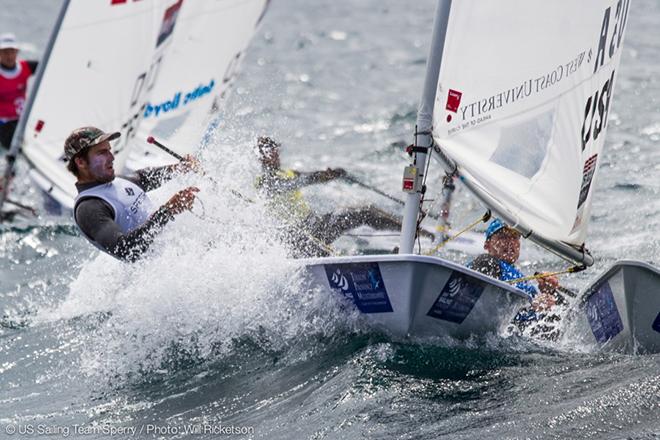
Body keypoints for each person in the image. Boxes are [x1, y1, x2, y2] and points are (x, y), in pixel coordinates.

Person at [255, 136, 409, 257]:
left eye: (274, 149)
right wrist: (314, 178)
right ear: (261, 157)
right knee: (322, 252)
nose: (274, 153)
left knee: (365, 211)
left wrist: (329, 175)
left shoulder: (288, 173)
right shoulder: (264, 182)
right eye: (269, 151)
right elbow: (291, 184)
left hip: (315, 226)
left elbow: (310, 176)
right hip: (298, 238)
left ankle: (412, 233)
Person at [65, 126, 199, 262]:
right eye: (102, 153)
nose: (111, 157)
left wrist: (181, 167)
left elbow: (146, 177)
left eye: (109, 151)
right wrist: (167, 212)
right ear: (81, 162)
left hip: (181, 256)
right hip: (161, 273)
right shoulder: (88, 208)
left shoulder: (117, 181)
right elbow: (126, 251)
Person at [469, 218, 563, 334]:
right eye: (502, 237)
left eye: (515, 237)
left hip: (523, 335)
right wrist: (532, 307)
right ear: (487, 245)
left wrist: (550, 293)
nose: (510, 242)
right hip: (495, 327)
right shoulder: (485, 263)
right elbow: (486, 305)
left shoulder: (525, 283)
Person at [0, 33, 38, 150]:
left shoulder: (26, 66)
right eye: (5, 52)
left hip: (21, 118)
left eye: (12, 51)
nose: (9, 55)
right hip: (3, 122)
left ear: (17, 52)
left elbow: (51, 66)